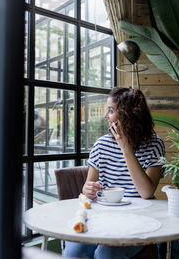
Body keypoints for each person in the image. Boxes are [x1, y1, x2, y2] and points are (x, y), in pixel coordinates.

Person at [63, 87, 165, 259]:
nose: (105, 116)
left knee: (106, 254)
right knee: (74, 251)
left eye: (110, 111)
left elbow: (146, 192)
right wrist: (89, 190)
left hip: (138, 220)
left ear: (128, 115)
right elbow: (88, 189)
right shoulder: (101, 145)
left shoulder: (154, 144)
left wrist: (125, 147)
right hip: (103, 216)